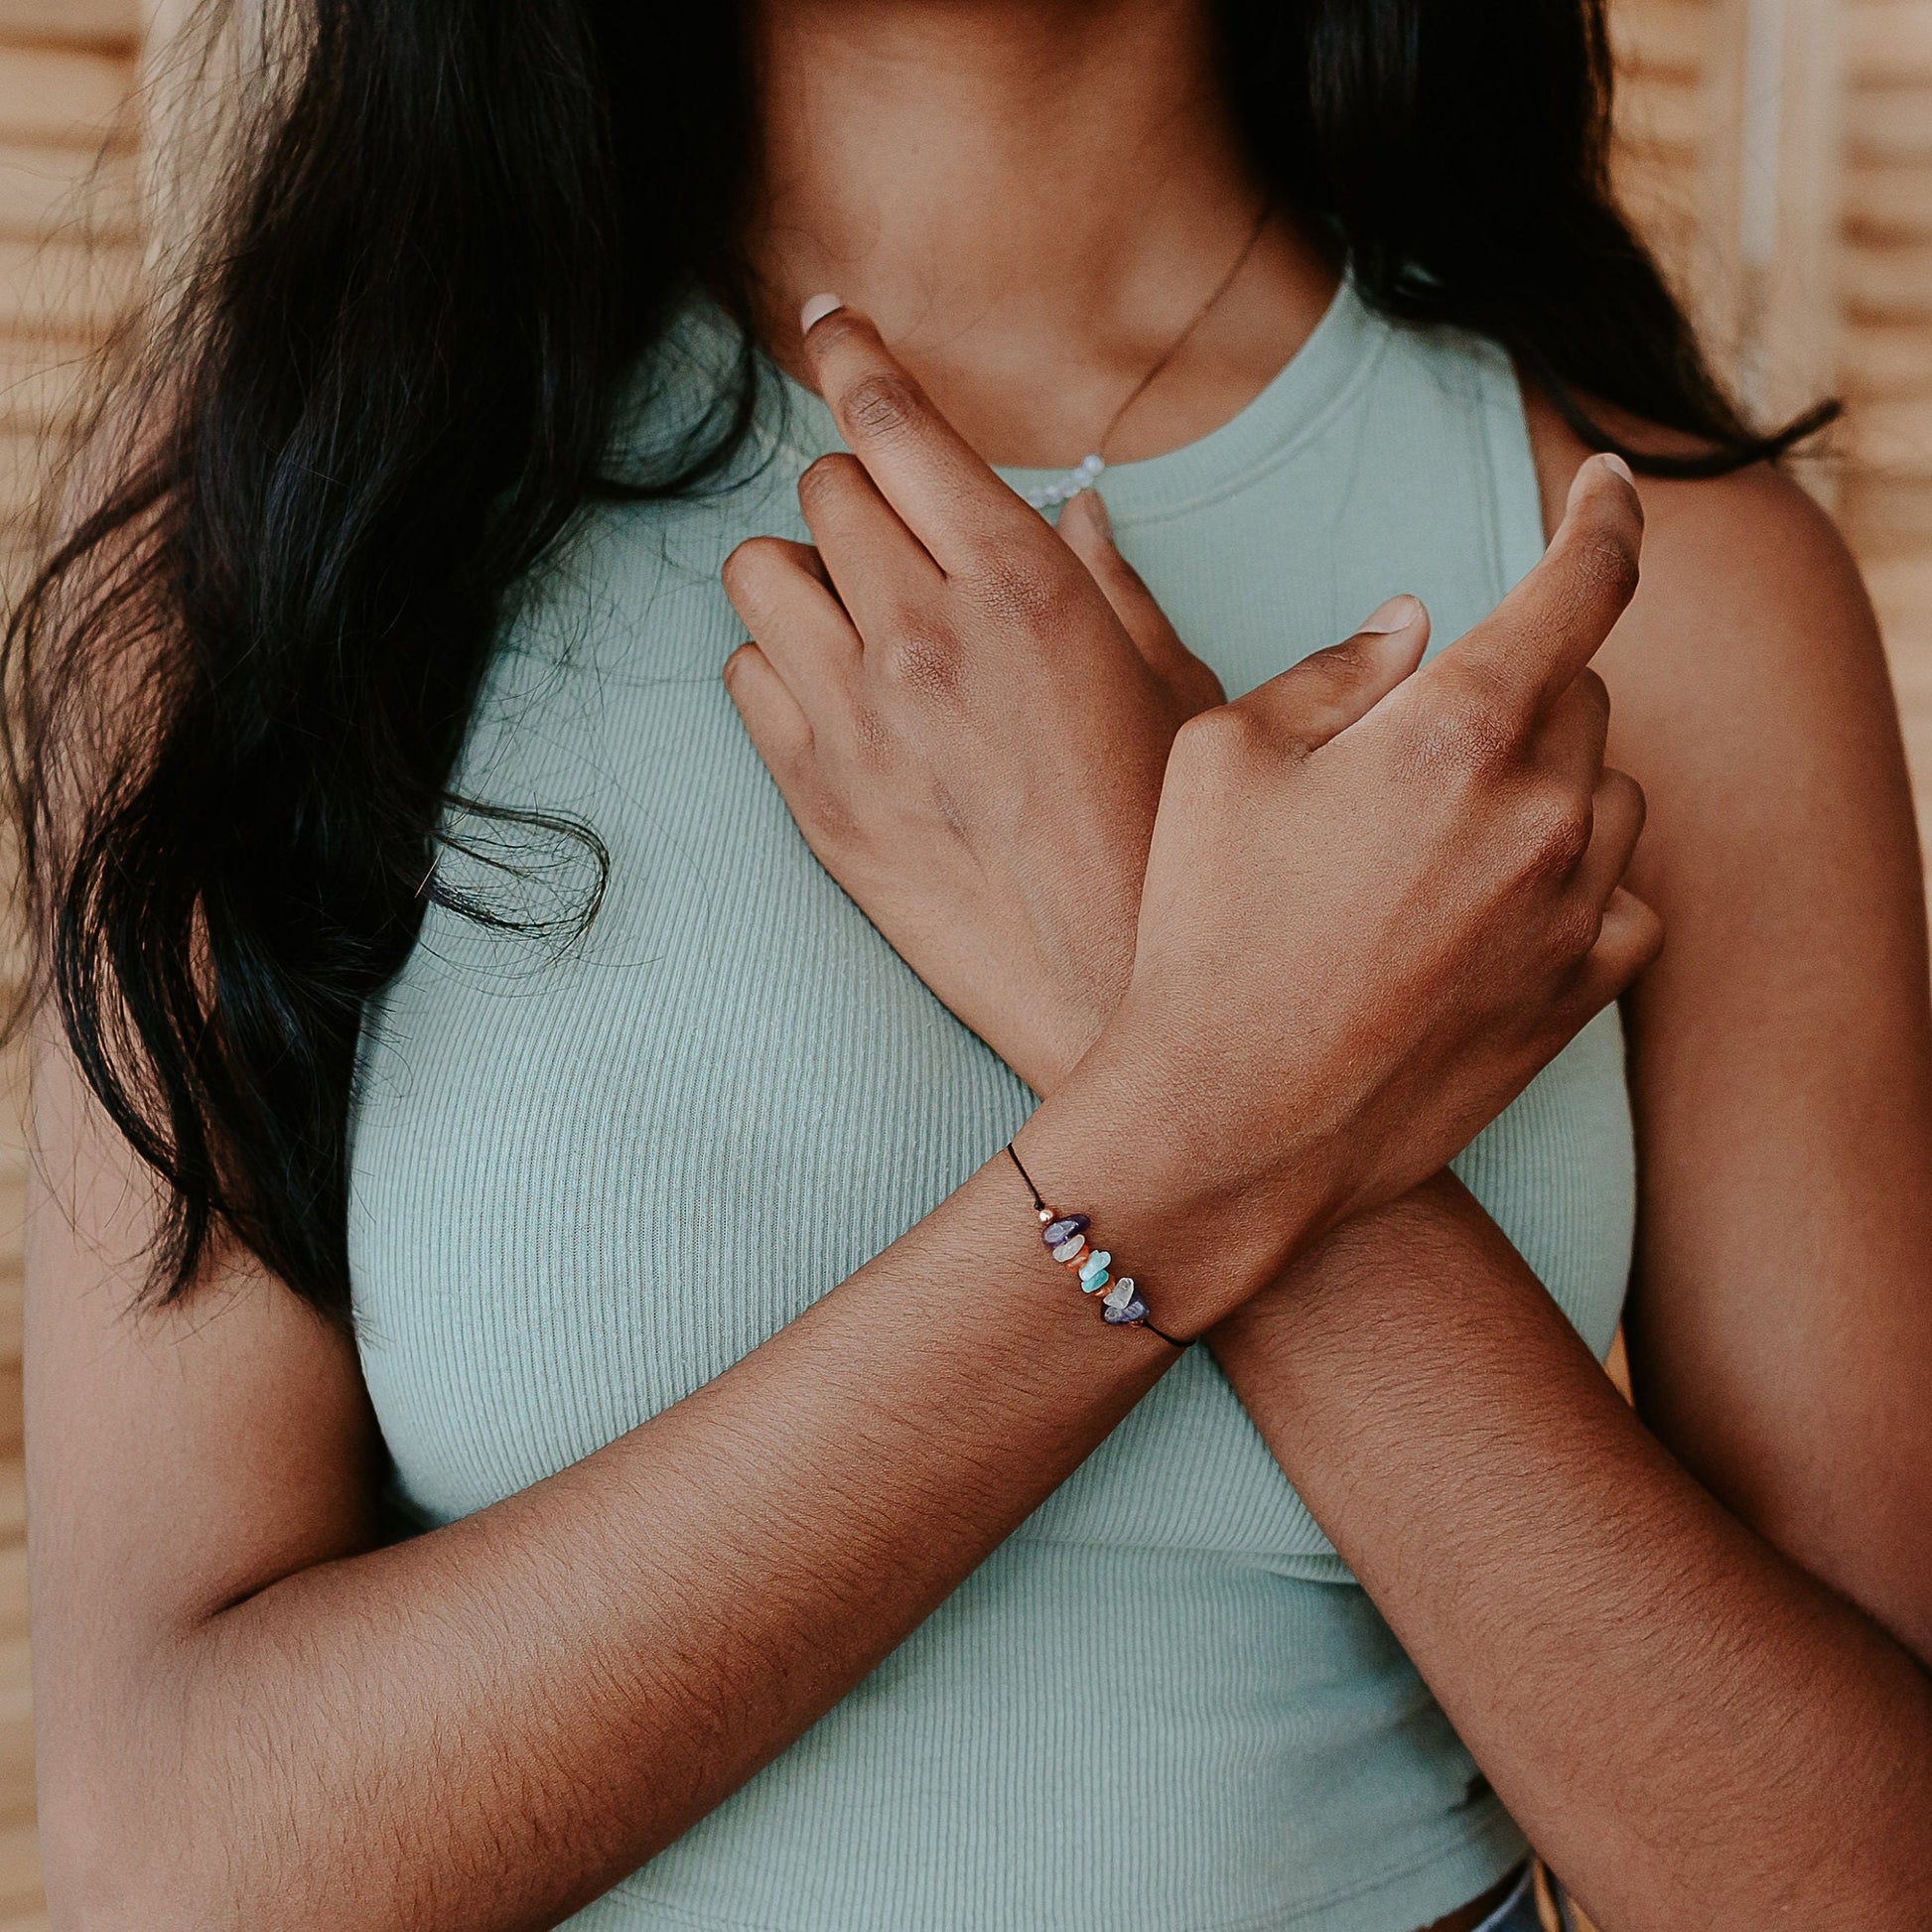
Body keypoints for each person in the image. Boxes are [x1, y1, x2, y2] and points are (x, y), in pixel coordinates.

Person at [14, 3, 1932, 1929]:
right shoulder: (281, 536)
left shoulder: (1669, 586)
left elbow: (1851, 1883)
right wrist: (1200, 1119)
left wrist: (1132, 951)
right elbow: (179, 1861)